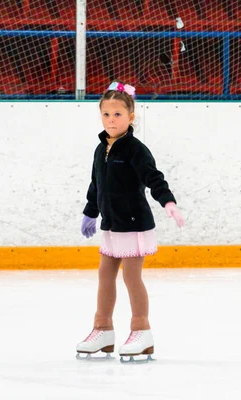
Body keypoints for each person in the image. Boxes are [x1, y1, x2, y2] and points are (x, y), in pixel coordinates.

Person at [76, 81, 184, 361]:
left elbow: (154, 178)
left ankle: (141, 330)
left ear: (131, 117)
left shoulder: (136, 149)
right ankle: (103, 330)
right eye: (106, 115)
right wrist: (91, 212)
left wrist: (168, 202)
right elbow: (95, 184)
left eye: (118, 115)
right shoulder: (101, 150)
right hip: (111, 224)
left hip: (134, 223)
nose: (111, 120)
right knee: (104, 274)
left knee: (131, 277)